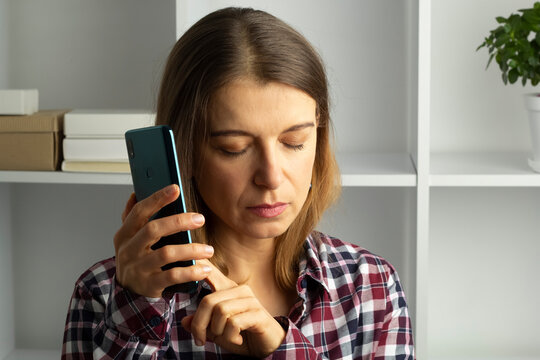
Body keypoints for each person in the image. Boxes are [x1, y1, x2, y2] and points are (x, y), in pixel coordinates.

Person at [61, 7, 414, 359]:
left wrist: (281, 348)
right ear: (186, 153)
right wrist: (135, 314)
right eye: (235, 148)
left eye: (295, 142)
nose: (271, 176)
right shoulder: (103, 294)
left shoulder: (370, 285)